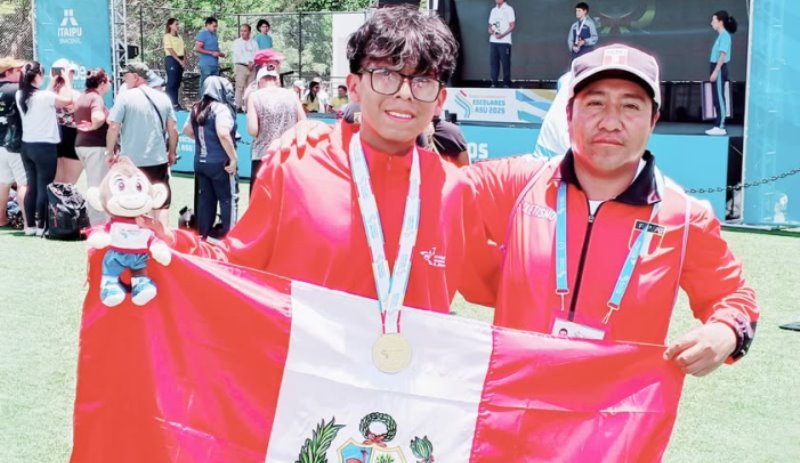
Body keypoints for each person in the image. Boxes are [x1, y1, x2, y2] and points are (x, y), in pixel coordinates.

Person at [143, 5, 493, 315]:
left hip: (410, 385)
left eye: (422, 80)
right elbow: (236, 262)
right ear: (354, 87)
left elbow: (496, 282)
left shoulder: (454, 189)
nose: (404, 92)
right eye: (386, 74)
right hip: (310, 385)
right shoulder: (296, 165)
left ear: (440, 99)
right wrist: (162, 243)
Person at [465, 44, 759, 376]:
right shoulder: (516, 184)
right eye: (595, 103)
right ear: (569, 113)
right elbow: (432, 194)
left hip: (616, 420)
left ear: (653, 121)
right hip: (513, 410)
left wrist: (725, 333)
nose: (610, 121)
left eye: (630, 106)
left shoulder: (685, 217)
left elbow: (735, 296)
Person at [106, 62, 178, 227]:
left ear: (136, 77)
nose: (124, 79)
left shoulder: (124, 97)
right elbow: (173, 129)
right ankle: (162, 241)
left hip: (131, 162)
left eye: (126, 75)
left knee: (132, 202)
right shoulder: (163, 98)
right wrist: (172, 152)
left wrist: (109, 153)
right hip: (158, 159)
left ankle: (136, 241)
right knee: (160, 203)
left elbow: (114, 126)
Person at [15, 61, 74, 236]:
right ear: (38, 75)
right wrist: (66, 80)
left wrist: (51, 82)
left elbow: (42, 96)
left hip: (27, 146)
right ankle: (43, 227)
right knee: (44, 187)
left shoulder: (21, 94)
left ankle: (30, 226)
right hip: (45, 147)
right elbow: (67, 100)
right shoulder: (43, 97)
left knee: (31, 186)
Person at [183, 76, 238, 240]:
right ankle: (228, 237)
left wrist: (202, 140)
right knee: (228, 199)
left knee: (205, 200)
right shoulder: (221, 109)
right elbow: (223, 133)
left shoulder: (196, 108)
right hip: (220, 163)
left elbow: (187, 130)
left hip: (200, 162)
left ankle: (203, 237)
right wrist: (233, 158)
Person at [246, 63, 304, 196]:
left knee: (260, 203)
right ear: (276, 79)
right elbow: (303, 123)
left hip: (263, 157)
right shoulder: (292, 95)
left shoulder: (255, 96)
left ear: (260, 80)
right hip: (287, 156)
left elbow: (253, 130)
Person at [74, 68, 112, 225]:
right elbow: (98, 117)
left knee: (95, 183)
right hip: (95, 146)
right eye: (108, 81)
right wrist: (95, 126)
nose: (110, 84)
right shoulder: (96, 98)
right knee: (97, 186)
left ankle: (98, 222)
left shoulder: (83, 96)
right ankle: (98, 225)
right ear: (102, 83)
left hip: (82, 144)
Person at [0, 56, 27, 228]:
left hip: (0, 144)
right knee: (24, 184)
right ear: (8, 72)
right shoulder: (16, 90)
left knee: (3, 184)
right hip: (15, 144)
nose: (22, 73)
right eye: (18, 70)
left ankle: (1, 219)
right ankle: (29, 222)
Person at [706, 10, 738, 136]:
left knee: (719, 98)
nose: (711, 23)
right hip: (716, 67)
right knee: (716, 98)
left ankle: (721, 125)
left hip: (719, 68)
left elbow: (722, 55)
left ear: (720, 22)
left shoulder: (725, 36)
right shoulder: (721, 36)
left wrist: (715, 71)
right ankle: (718, 124)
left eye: (713, 20)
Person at [51, 59, 83, 185]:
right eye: (72, 72)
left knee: (57, 183)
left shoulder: (48, 94)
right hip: (72, 137)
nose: (73, 75)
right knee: (69, 183)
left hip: (53, 137)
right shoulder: (74, 95)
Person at [488, 0, 515, 88]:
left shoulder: (509, 9)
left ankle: (506, 83)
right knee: (494, 63)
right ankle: (494, 83)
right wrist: (491, 30)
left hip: (505, 41)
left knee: (505, 63)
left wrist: (502, 35)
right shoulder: (493, 10)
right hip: (493, 40)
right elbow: (491, 24)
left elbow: (512, 25)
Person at [195, 17, 225, 93]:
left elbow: (215, 49)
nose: (215, 28)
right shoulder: (203, 34)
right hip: (206, 64)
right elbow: (198, 48)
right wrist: (211, 53)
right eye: (214, 26)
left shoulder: (214, 35)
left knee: (214, 85)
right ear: (208, 24)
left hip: (215, 64)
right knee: (205, 84)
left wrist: (220, 53)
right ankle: (202, 102)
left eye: (216, 26)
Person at [233, 24, 258, 112]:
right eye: (241, 31)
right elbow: (238, 55)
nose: (242, 33)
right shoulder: (237, 42)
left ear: (249, 32)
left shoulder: (254, 42)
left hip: (252, 67)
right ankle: (238, 106)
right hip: (241, 66)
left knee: (250, 88)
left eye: (245, 31)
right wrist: (248, 63)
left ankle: (249, 107)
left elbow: (256, 54)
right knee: (240, 87)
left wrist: (253, 63)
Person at [163, 18, 186, 111]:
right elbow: (170, 50)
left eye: (178, 24)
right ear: (170, 26)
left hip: (180, 58)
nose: (178, 26)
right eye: (176, 24)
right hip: (172, 59)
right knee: (171, 83)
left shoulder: (179, 37)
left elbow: (184, 49)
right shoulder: (167, 36)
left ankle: (175, 103)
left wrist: (184, 59)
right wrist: (179, 61)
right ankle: (169, 104)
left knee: (177, 83)